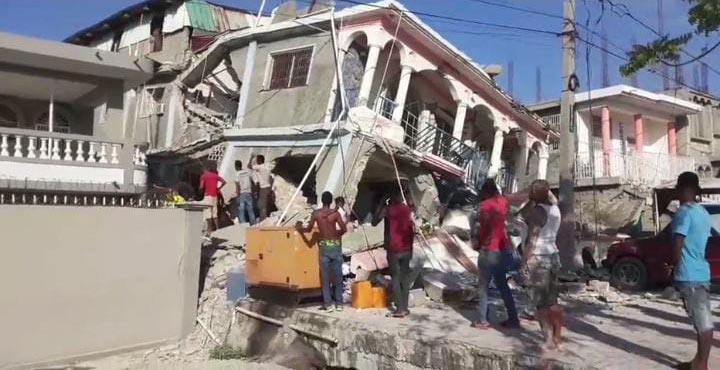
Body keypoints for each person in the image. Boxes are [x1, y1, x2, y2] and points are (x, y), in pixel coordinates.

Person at [671, 172, 713, 370]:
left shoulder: (684, 212)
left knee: (703, 323)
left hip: (689, 275)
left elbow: (678, 241)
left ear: (684, 189)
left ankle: (701, 365)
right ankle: (698, 361)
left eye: (678, 189)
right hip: (702, 272)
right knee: (701, 320)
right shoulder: (703, 213)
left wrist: (674, 267)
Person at [520, 179, 563, 351]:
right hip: (553, 255)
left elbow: (532, 240)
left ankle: (548, 339)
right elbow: (524, 214)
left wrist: (524, 261)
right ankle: (558, 337)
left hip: (538, 258)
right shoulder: (554, 209)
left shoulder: (537, 212)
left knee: (540, 304)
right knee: (552, 301)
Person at [472, 178, 520, 329]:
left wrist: (477, 243)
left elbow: (481, 229)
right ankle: (513, 318)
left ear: (485, 192)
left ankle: (482, 320)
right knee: (502, 284)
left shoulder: (484, 206)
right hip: (503, 248)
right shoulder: (503, 202)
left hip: (488, 249)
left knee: (483, 285)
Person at [297, 191, 347, 312]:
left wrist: (299, 229)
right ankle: (339, 303)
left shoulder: (316, 214)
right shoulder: (335, 214)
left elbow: (308, 230)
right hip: (335, 246)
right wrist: (336, 235)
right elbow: (344, 229)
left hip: (324, 248)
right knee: (338, 276)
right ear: (331, 201)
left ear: (322, 200)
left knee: (325, 278)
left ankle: (328, 304)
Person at [382, 191, 415, 318]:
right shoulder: (407, 210)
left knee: (395, 278)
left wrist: (382, 202)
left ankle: (399, 309)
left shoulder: (389, 210)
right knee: (404, 278)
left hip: (394, 250)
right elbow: (411, 228)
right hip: (407, 249)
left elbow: (376, 219)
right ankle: (405, 308)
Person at [199, 161, 226, 239]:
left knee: (208, 213)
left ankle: (209, 230)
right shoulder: (215, 175)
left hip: (207, 196)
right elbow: (224, 182)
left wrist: (200, 191)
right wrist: (218, 188)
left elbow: (201, 187)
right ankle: (217, 229)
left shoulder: (203, 176)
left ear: (204, 169)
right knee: (215, 213)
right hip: (215, 196)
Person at [250, 154, 273, 221]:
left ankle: (263, 219)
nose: (256, 161)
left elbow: (249, 166)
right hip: (268, 186)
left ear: (259, 160)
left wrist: (251, 158)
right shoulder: (267, 166)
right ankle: (265, 217)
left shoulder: (260, 167)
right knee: (265, 203)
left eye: (257, 160)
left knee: (262, 205)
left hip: (263, 187)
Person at [234, 160, 256, 225]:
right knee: (250, 209)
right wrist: (254, 192)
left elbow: (237, 186)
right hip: (249, 192)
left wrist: (237, 196)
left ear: (236, 166)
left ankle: (243, 224)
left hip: (242, 193)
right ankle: (253, 223)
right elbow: (252, 182)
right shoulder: (247, 172)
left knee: (242, 210)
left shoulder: (237, 174)